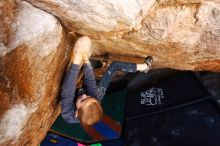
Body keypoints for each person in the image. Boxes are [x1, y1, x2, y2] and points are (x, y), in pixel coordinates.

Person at [61, 36, 153, 127]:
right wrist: (85, 60)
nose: (85, 95)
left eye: (83, 100)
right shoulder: (95, 99)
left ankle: (93, 64)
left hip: (77, 95)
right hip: (96, 94)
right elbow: (90, 80)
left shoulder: (68, 114)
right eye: (88, 97)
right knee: (114, 65)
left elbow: (68, 92)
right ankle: (145, 67)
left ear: (76, 113)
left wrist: (77, 59)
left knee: (83, 51)